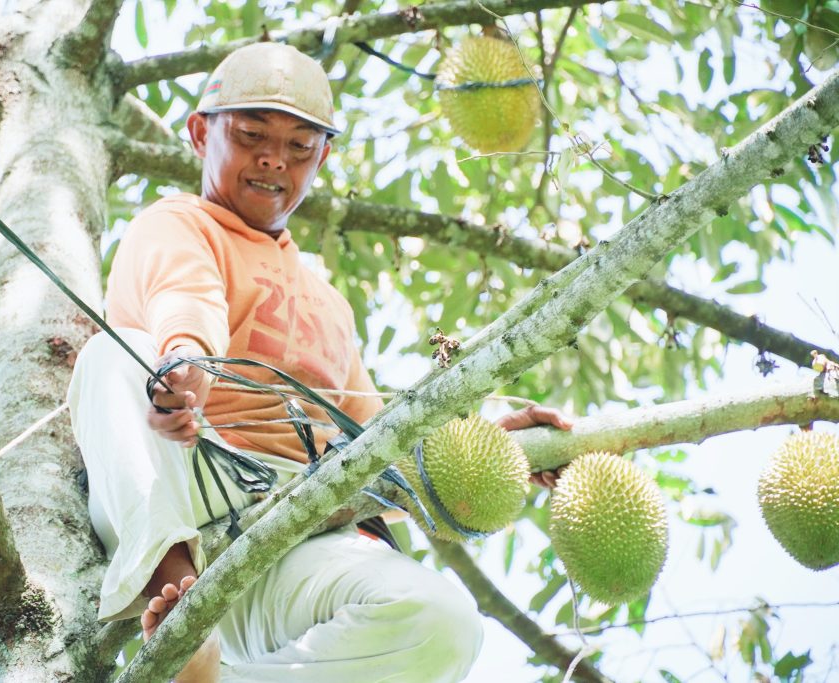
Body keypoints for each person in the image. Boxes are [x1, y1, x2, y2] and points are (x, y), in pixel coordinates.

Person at [67, 41, 570, 682]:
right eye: (252, 135)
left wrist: (500, 452)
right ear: (199, 134)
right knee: (111, 359)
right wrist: (184, 364)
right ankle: (180, 614)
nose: (274, 159)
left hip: (305, 524)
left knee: (445, 620)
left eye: (301, 148)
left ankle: (213, 676)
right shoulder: (180, 221)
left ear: (322, 158)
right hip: (191, 486)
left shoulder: (330, 302)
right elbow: (184, 298)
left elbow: (377, 446)